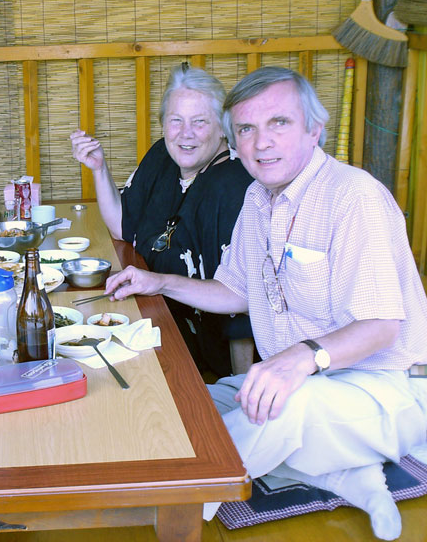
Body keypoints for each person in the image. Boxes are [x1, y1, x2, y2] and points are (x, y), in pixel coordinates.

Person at [104, 66, 427, 540]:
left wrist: (301, 358)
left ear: (315, 129)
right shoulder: (259, 198)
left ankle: (171, 505)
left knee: (280, 408)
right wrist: (161, 283)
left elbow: (381, 327)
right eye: (247, 129)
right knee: (183, 403)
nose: (261, 143)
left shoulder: (353, 197)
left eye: (279, 123)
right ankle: (348, 474)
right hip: (306, 385)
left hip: (386, 388)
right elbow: (237, 291)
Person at [70, 63, 254, 377]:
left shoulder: (233, 187)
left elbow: (243, 309)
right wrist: (99, 169)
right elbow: (123, 227)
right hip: (156, 326)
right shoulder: (162, 158)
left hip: (207, 365)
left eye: (199, 122)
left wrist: (241, 388)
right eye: (176, 121)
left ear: (223, 127)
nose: (186, 134)